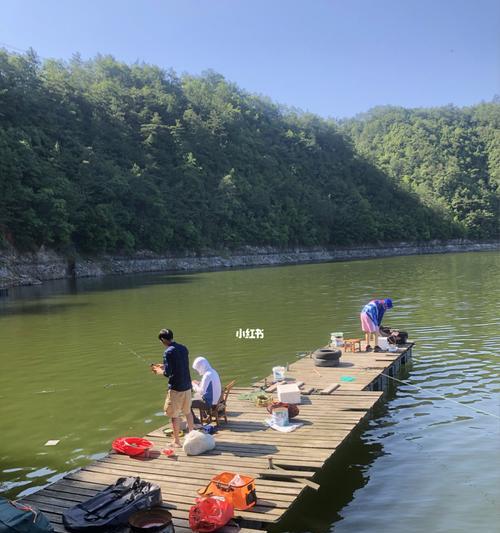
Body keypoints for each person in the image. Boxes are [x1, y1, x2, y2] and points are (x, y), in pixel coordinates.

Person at [151, 328, 194, 447]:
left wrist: (160, 371)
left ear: (163, 339)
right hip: (187, 386)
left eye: (161, 341)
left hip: (176, 389)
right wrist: (164, 365)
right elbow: (179, 365)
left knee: (174, 416)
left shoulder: (167, 352)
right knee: (188, 412)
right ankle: (192, 437)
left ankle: (176, 442)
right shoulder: (183, 348)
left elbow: (168, 373)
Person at [191, 356, 222, 424]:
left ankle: (195, 421)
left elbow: (202, 391)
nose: (197, 370)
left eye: (198, 368)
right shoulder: (212, 371)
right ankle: (204, 416)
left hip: (210, 403)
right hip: (216, 400)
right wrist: (199, 383)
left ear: (201, 366)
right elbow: (209, 385)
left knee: (187, 403)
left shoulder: (207, 375)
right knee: (196, 395)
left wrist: (194, 385)